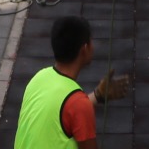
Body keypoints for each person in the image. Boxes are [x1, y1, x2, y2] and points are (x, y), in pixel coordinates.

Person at [12, 15, 131, 149]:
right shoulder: (79, 105)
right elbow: (74, 109)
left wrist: (98, 95)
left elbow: (61, 110)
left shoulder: (39, 78)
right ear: (84, 49)